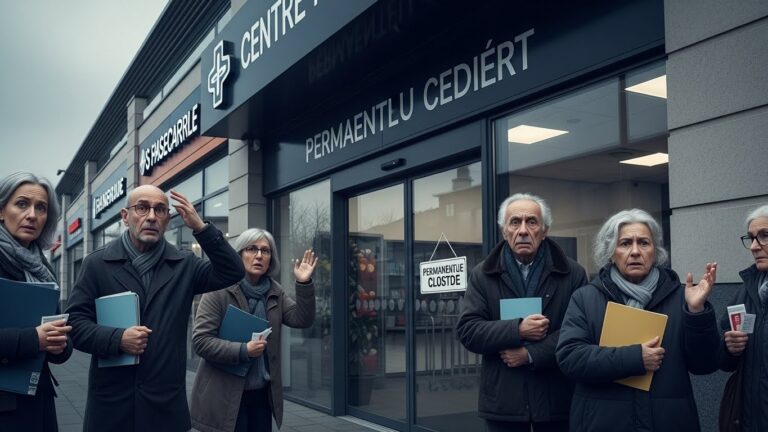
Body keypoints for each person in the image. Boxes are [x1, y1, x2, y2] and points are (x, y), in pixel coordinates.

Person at [65, 185, 244, 432]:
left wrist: (200, 228)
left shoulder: (184, 265)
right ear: (125, 217)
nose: (151, 216)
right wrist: (117, 339)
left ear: (168, 220)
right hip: (112, 407)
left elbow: (233, 271)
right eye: (142, 207)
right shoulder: (97, 264)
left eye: (160, 210)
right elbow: (75, 324)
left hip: (165, 407)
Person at [556, 208, 719, 431]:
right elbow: (570, 358)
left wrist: (697, 311)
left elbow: (705, 365)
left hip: (668, 423)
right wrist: (635, 358)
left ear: (656, 251)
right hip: (603, 423)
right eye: (625, 244)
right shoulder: (585, 298)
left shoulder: (682, 297)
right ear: (611, 252)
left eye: (643, 243)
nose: (635, 251)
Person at [456, 193, 587, 432]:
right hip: (504, 402)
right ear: (504, 231)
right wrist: (517, 329)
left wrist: (530, 353)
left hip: (556, 400)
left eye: (532, 222)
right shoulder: (482, 274)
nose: (523, 230)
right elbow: (468, 331)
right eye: (515, 222)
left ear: (545, 230)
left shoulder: (573, 273)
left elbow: (580, 333)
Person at [190, 228, 317, 432]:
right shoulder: (219, 290)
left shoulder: (275, 291)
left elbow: (302, 319)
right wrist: (243, 350)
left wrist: (303, 283)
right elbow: (201, 341)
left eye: (265, 251)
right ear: (239, 254)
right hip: (224, 393)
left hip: (262, 395)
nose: (259, 255)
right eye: (251, 249)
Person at [0, 172, 72, 432]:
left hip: (38, 401)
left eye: (41, 208)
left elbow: (60, 336)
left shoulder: (42, 267)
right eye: (22, 204)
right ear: (1, 210)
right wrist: (35, 339)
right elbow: (36, 336)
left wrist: (60, 345)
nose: (32, 214)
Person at [719, 204, 768, 431]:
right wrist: (729, 347)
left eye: (764, 236)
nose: (755, 247)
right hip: (750, 419)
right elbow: (724, 361)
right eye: (751, 238)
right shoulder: (745, 291)